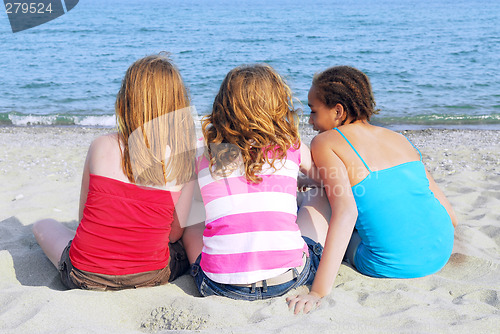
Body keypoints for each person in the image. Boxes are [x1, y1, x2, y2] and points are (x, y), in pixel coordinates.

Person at [287, 66, 457, 313]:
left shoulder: (325, 141)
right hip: (442, 248)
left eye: (313, 112)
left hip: (388, 262)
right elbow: (450, 217)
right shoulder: (398, 138)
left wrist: (317, 291)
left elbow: (346, 214)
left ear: (338, 111)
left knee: (327, 200)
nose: (311, 122)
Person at [32, 54, 196, 290]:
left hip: (84, 276)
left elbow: (83, 218)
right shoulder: (184, 159)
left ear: (125, 101)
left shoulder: (101, 145)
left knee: (42, 224)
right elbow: (172, 236)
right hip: (149, 276)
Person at [182, 64, 326, 301]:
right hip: (286, 279)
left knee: (195, 219)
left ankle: (210, 266)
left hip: (219, 286)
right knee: (319, 195)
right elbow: (323, 179)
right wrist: (296, 180)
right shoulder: (291, 145)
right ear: (277, 104)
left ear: (223, 106)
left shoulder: (204, 150)